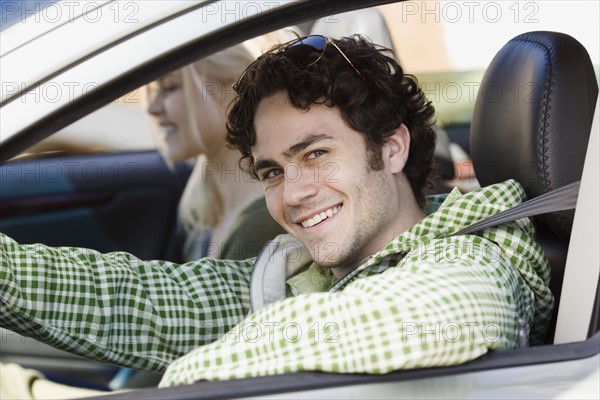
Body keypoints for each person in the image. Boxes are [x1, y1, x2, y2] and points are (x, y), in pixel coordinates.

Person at [0, 35, 553, 395]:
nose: (294, 194)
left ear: (391, 148)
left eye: (315, 155)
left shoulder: (476, 258)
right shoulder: (301, 275)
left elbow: (418, 314)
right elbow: (143, 301)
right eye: (272, 171)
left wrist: (182, 383)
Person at [146, 38, 285, 262]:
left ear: (232, 90)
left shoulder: (266, 222)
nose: (153, 108)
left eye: (170, 87)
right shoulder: (203, 213)